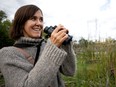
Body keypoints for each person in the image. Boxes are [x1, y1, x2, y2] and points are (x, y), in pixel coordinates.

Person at [0, 4, 76, 87]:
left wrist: (66, 44)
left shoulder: (47, 46)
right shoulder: (7, 53)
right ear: (21, 23)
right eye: (33, 19)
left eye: (41, 19)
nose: (39, 23)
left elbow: (69, 71)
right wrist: (53, 47)